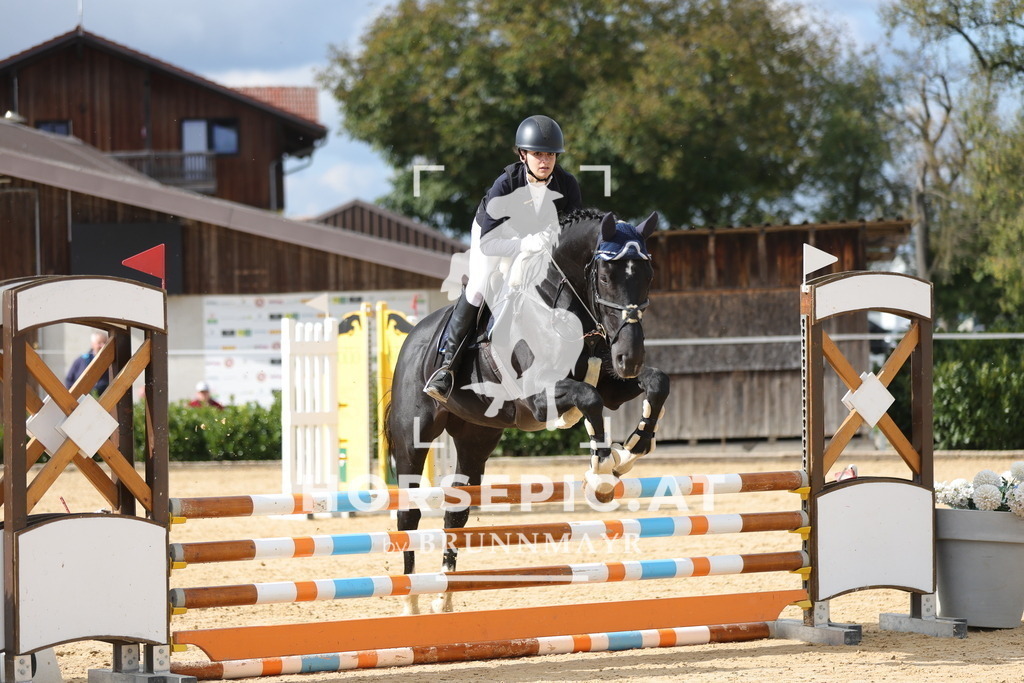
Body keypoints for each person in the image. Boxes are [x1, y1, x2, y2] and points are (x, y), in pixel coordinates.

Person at [424, 114, 584, 403]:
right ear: (523, 155)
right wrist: (524, 245)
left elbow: (571, 233)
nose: (545, 160)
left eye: (550, 155)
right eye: (537, 154)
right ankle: (447, 367)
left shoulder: (567, 184)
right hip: (495, 235)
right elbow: (489, 243)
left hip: (539, 238)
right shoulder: (506, 184)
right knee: (480, 285)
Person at [64, 331, 110, 395]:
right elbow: (69, 380)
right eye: (99, 343)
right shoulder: (81, 360)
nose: (103, 345)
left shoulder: (112, 361)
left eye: (105, 342)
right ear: (92, 344)